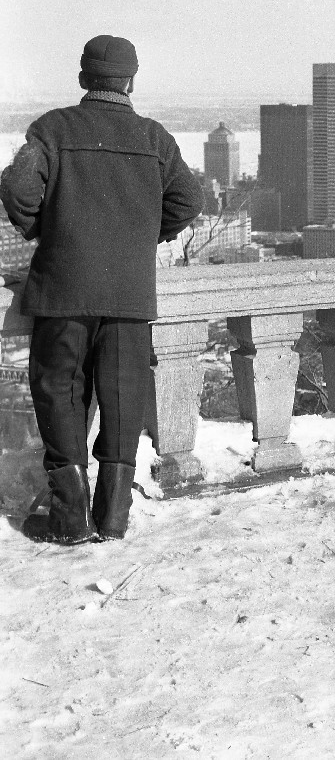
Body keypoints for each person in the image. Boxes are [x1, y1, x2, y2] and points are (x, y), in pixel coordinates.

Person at [0, 35, 204, 543]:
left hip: (62, 290)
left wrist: (44, 227)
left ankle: (70, 519)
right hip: (129, 295)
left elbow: (17, 188)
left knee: (57, 394)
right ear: (132, 81)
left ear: (82, 78)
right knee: (122, 397)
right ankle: (113, 519)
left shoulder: (51, 129)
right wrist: (141, 236)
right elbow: (188, 200)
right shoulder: (156, 139)